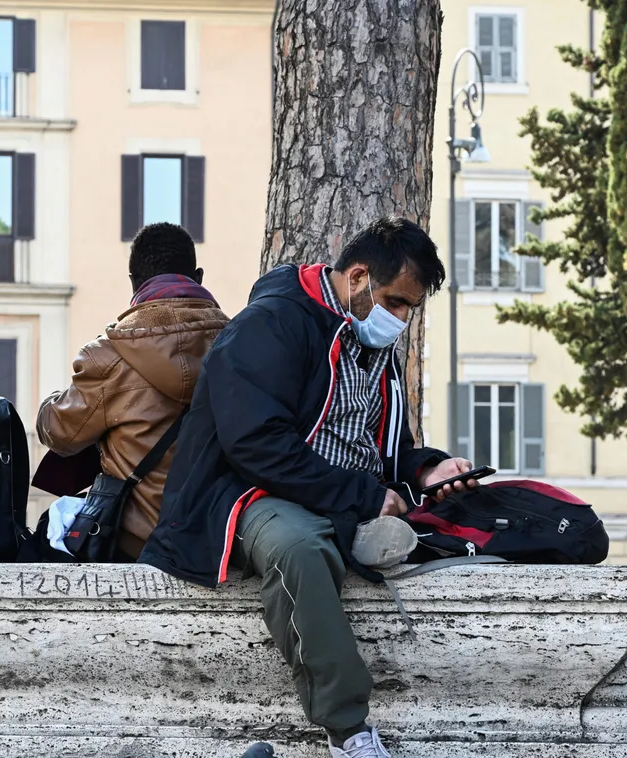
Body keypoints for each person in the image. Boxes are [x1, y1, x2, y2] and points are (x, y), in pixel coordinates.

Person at [140, 216, 478, 758]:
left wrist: (426, 470)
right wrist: (363, 497)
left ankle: (359, 537)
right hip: (246, 493)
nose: (400, 320)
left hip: (333, 492)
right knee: (300, 547)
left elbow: (384, 447)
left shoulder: (372, 346)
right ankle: (350, 730)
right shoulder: (271, 323)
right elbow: (254, 444)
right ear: (359, 275)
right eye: (394, 303)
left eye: (409, 310)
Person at [37, 222, 229, 560]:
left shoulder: (108, 355)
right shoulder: (240, 345)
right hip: (220, 535)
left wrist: (51, 404)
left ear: (133, 282)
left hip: (134, 540)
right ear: (198, 277)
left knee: (42, 536)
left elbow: (59, 434)